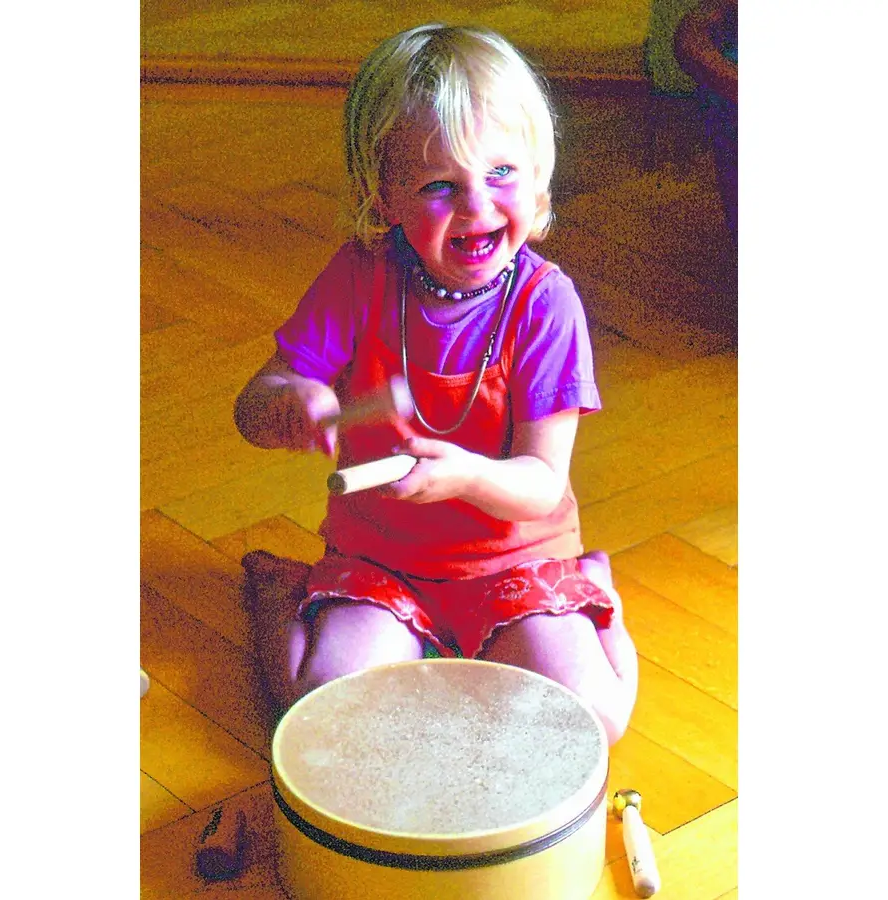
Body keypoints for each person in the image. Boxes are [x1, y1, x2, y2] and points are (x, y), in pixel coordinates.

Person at [233, 23, 638, 745]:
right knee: (320, 708)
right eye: (439, 186)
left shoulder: (546, 305)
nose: (478, 207)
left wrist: (467, 478)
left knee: (591, 720)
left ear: (538, 176)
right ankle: (278, 596)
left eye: (502, 174)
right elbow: (253, 408)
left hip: (515, 559)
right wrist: (290, 401)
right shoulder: (361, 276)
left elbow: (543, 485)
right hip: (381, 560)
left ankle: (594, 591)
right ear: (385, 196)